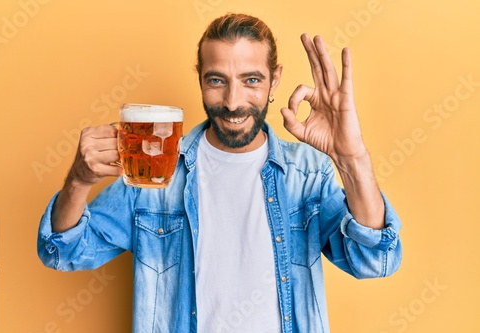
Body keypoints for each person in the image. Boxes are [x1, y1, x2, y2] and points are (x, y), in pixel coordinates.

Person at [38, 13, 402, 333]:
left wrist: (351, 158)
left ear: (274, 80)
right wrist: (78, 181)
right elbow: (63, 251)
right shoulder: (155, 173)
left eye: (251, 80)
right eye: (217, 81)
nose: (232, 102)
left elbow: (373, 260)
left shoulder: (306, 174)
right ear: (200, 79)